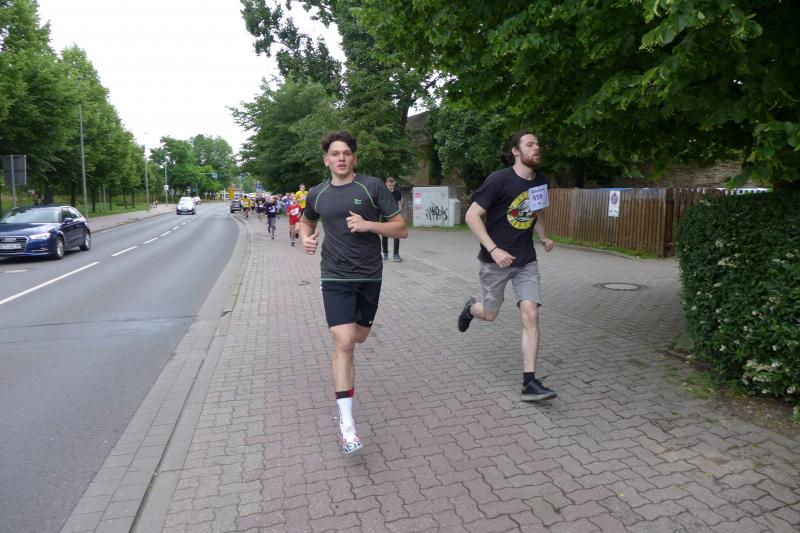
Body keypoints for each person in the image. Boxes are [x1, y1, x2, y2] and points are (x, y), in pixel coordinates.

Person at [300, 131, 407, 454]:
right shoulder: (317, 193)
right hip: (334, 275)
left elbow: (401, 228)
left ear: (354, 158)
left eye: (346, 153)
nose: (341, 158)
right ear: (326, 160)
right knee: (344, 341)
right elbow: (307, 221)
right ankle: (347, 426)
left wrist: (369, 225)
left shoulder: (371, 187)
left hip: (369, 275)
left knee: (358, 337)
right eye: (335, 153)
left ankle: (346, 370)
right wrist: (306, 238)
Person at [457, 129, 556, 402]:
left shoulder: (541, 182)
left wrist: (543, 236)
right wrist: (494, 249)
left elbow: (537, 212)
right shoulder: (499, 180)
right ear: (515, 151)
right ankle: (470, 309)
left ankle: (529, 382)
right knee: (490, 314)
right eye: (530, 144)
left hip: (526, 260)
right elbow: (472, 216)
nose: (536, 148)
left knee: (531, 314)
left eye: (538, 144)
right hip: (495, 262)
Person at [381, 176, 403, 262]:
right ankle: (385, 253)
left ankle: (396, 254)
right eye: (389, 185)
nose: (391, 187)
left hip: (395, 216)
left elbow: (400, 200)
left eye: (392, 185)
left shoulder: (397, 192)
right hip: (385, 216)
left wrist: (400, 209)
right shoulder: (383, 192)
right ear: (386, 184)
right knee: (384, 235)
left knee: (397, 235)